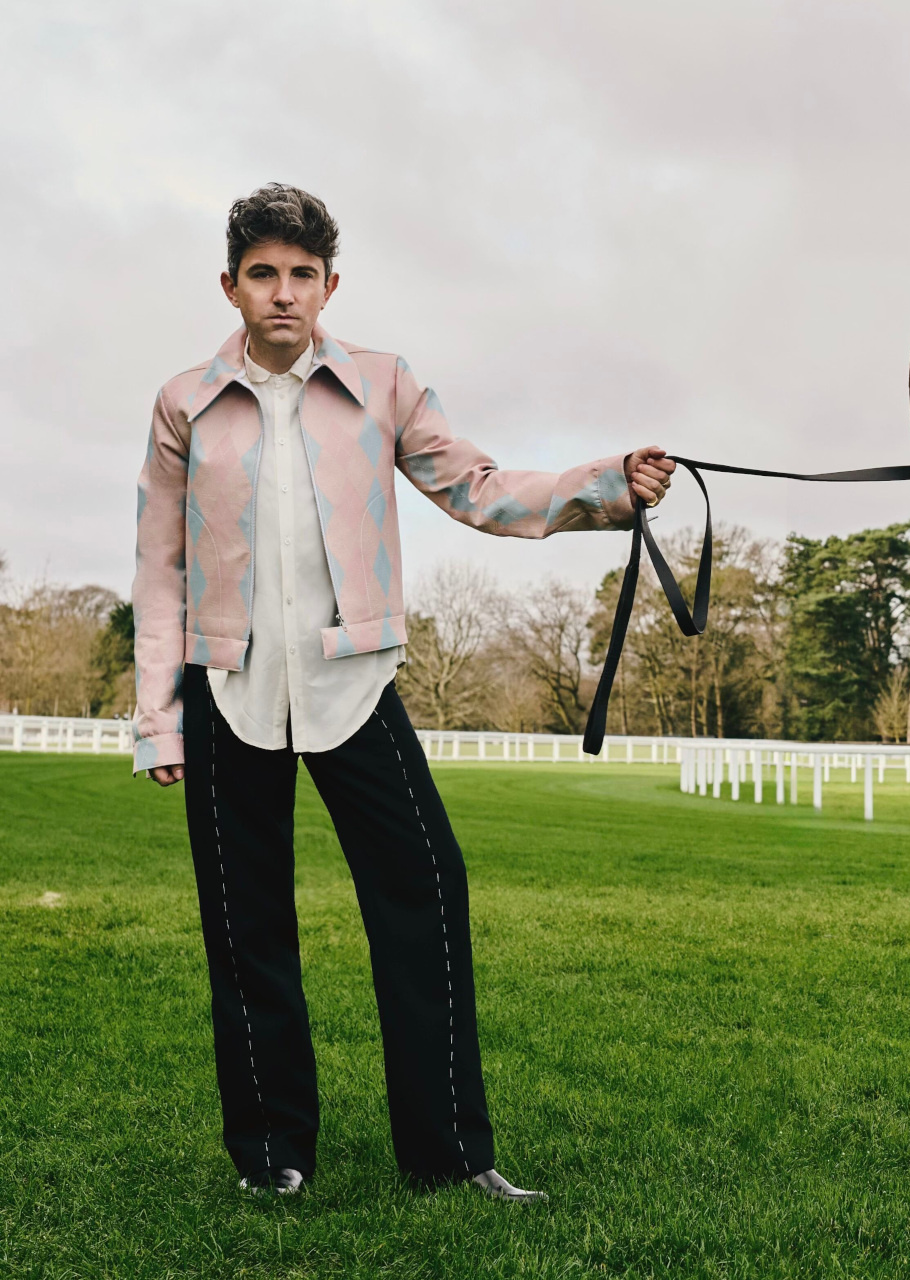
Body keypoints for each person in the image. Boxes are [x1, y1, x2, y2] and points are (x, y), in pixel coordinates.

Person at [131, 183, 674, 1201]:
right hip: (223, 687)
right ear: (231, 284)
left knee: (427, 894)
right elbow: (159, 562)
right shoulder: (183, 402)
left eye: (301, 273)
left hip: (355, 680)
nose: (283, 292)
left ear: (330, 283)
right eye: (263, 273)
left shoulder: (381, 384)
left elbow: (477, 484)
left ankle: (452, 1154)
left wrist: (607, 483)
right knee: (246, 925)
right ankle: (272, 1155)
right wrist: (158, 712)